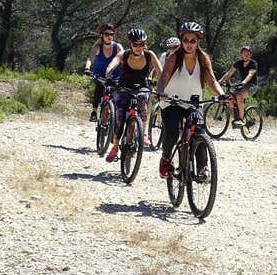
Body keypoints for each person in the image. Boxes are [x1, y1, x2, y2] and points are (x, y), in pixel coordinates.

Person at [156, 22, 226, 179]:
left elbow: (211, 80)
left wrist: (221, 94)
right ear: (181, 41)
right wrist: (160, 91)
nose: (188, 44)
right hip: (171, 101)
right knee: (172, 133)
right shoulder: (174, 57)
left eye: (192, 41)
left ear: (198, 41)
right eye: (185, 40)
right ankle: (166, 160)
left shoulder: (203, 58)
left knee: (199, 131)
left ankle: (202, 168)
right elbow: (164, 76)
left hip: (193, 102)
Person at [103, 28, 162, 162]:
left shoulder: (149, 55)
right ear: (130, 43)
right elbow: (111, 66)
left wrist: (162, 88)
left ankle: (144, 133)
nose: (138, 47)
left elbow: (161, 72)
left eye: (141, 44)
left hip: (142, 87)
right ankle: (115, 147)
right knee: (120, 117)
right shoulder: (124, 55)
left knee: (143, 103)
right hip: (124, 87)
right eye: (135, 44)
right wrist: (108, 77)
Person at [83, 23, 123, 122]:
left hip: (115, 75)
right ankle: (94, 111)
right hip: (100, 75)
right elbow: (90, 58)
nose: (109, 36)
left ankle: (113, 115)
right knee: (99, 88)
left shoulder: (118, 47)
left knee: (116, 94)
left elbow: (125, 59)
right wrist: (87, 68)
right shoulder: (97, 47)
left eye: (111, 34)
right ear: (101, 35)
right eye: (107, 34)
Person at [218, 45, 258, 128]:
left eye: (247, 54)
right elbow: (229, 73)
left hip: (251, 86)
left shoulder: (253, 63)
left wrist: (243, 82)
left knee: (239, 96)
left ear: (250, 55)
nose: (246, 55)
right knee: (230, 97)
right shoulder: (238, 63)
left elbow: (250, 74)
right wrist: (220, 81)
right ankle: (236, 118)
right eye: (244, 54)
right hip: (243, 85)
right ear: (241, 54)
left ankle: (240, 119)